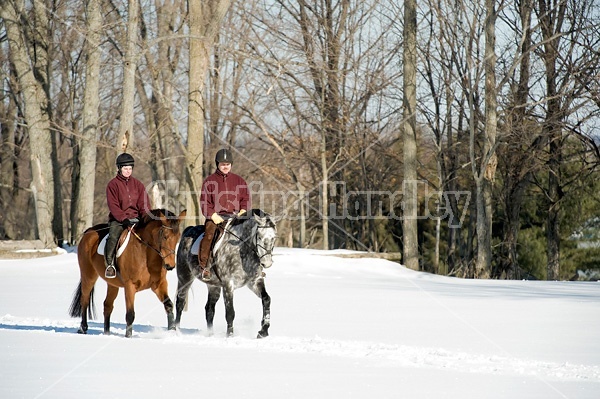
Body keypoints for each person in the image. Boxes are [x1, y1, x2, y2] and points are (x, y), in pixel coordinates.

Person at [198, 148, 250, 280]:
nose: (225, 167)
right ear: (217, 164)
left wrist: (243, 211)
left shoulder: (239, 181)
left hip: (235, 217)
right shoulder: (209, 181)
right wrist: (213, 215)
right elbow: (205, 201)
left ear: (231, 164)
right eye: (222, 164)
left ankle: (254, 266)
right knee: (209, 235)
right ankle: (205, 266)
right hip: (216, 217)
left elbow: (245, 199)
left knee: (252, 234)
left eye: (227, 164)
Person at [104, 153, 151, 278]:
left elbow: (143, 203)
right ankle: (110, 264)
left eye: (130, 168)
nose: (128, 171)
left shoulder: (138, 184)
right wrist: (123, 219)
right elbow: (113, 205)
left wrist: (146, 217)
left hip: (137, 218)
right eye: (125, 168)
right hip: (119, 220)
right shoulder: (113, 185)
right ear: (119, 168)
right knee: (113, 236)